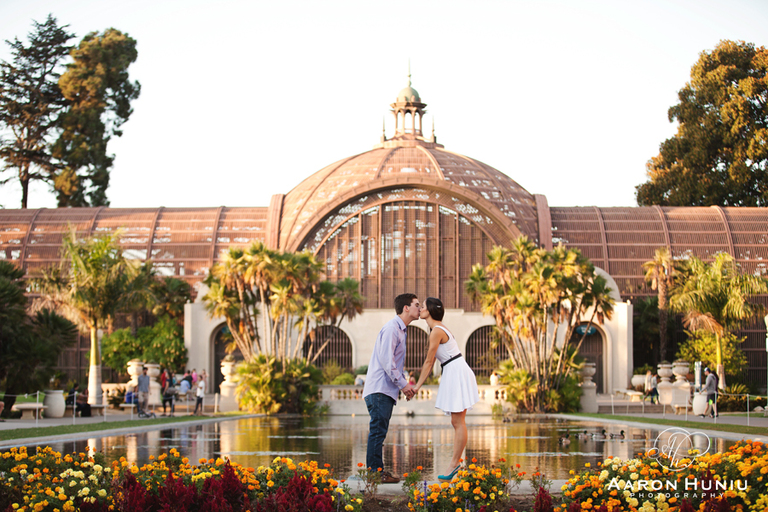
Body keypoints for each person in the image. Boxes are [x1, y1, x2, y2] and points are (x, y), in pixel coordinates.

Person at [413, 297, 479, 482]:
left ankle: (454, 464)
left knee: (458, 422)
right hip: (454, 370)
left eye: (423, 307)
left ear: (430, 311)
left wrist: (417, 386)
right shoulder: (438, 328)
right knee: (456, 421)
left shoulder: (437, 331)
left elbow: (429, 361)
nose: (420, 309)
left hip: (456, 371)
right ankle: (456, 463)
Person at [362, 293, 419, 484]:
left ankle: (377, 472)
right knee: (377, 431)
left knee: (380, 431)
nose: (420, 309)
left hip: (384, 390)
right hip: (379, 390)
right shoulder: (391, 329)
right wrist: (405, 386)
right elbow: (388, 362)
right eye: (417, 305)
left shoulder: (401, 330)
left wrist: (403, 386)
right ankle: (374, 474)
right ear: (406, 308)